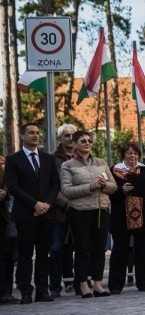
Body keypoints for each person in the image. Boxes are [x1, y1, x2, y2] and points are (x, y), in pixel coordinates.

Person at [5, 122, 60, 303]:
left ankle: (42, 290)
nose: (35, 135)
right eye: (31, 133)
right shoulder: (13, 159)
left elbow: (55, 184)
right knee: (25, 254)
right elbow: (13, 186)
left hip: (46, 213)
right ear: (22, 136)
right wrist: (34, 204)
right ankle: (25, 291)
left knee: (44, 254)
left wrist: (47, 204)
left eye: (37, 132)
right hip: (25, 214)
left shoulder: (48, 159)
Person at [60, 130, 117, 298]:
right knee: (82, 249)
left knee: (99, 248)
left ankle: (98, 284)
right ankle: (83, 284)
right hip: (80, 212)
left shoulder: (101, 162)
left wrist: (104, 184)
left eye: (89, 141)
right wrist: (90, 187)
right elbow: (66, 190)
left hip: (101, 209)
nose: (87, 143)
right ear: (75, 144)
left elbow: (114, 186)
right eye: (83, 141)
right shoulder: (68, 165)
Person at [108, 143, 145, 294]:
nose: (133, 156)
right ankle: (116, 284)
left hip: (143, 216)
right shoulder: (114, 170)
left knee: (143, 251)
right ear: (123, 155)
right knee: (120, 251)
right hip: (121, 216)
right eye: (129, 153)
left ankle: (143, 282)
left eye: (135, 153)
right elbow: (109, 191)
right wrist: (121, 190)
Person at [49, 123, 77, 298]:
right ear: (60, 138)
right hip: (59, 211)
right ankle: (54, 286)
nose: (70, 138)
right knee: (56, 248)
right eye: (66, 135)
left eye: (73, 135)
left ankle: (73, 282)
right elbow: (51, 185)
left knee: (76, 247)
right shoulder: (52, 159)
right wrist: (66, 203)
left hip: (80, 209)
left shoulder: (82, 157)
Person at [0, 157, 16, 304]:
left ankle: (6, 291)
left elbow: (9, 183)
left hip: (6, 218)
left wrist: (5, 191)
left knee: (7, 256)